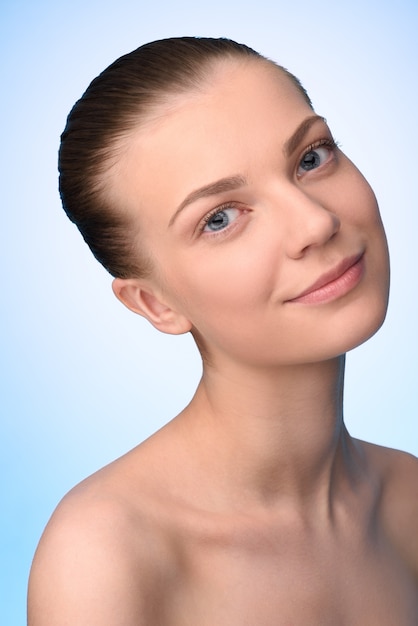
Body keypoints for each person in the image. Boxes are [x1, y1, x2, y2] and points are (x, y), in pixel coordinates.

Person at [28, 37, 418, 624]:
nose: (316, 222)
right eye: (219, 219)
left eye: (311, 158)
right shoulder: (107, 556)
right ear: (155, 304)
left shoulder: (409, 498)